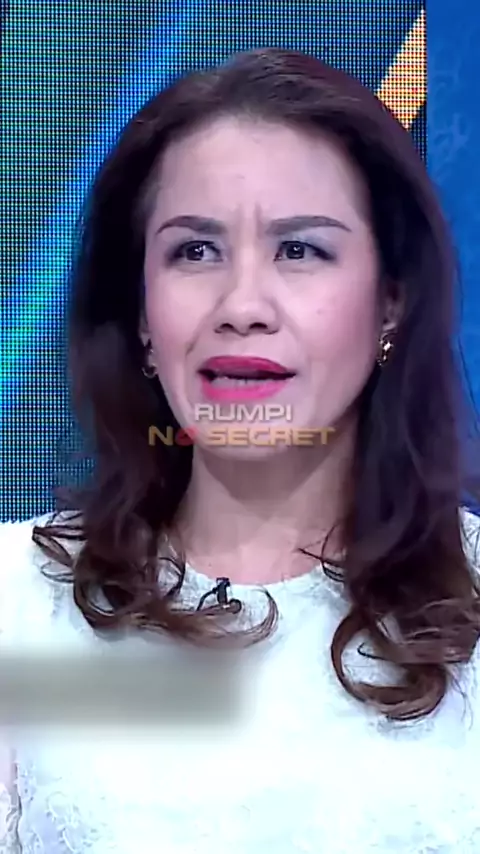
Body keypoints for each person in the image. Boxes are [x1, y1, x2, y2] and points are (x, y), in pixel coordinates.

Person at [1, 46, 480, 853]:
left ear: (391, 304)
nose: (243, 304)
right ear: (142, 316)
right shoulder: (17, 605)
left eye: (300, 250)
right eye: (195, 251)